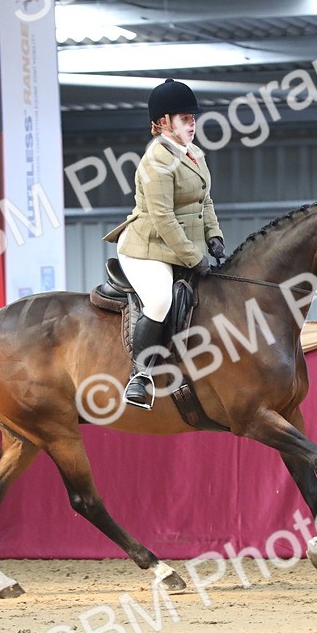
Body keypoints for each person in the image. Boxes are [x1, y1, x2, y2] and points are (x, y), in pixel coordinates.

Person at [102, 78, 227, 410]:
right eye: (184, 118)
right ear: (162, 123)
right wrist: (191, 255)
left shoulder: (194, 153)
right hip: (146, 248)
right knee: (159, 301)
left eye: (193, 117)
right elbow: (162, 218)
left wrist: (214, 235)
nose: (192, 123)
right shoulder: (156, 161)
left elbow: (205, 202)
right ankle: (140, 375)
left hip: (182, 245)